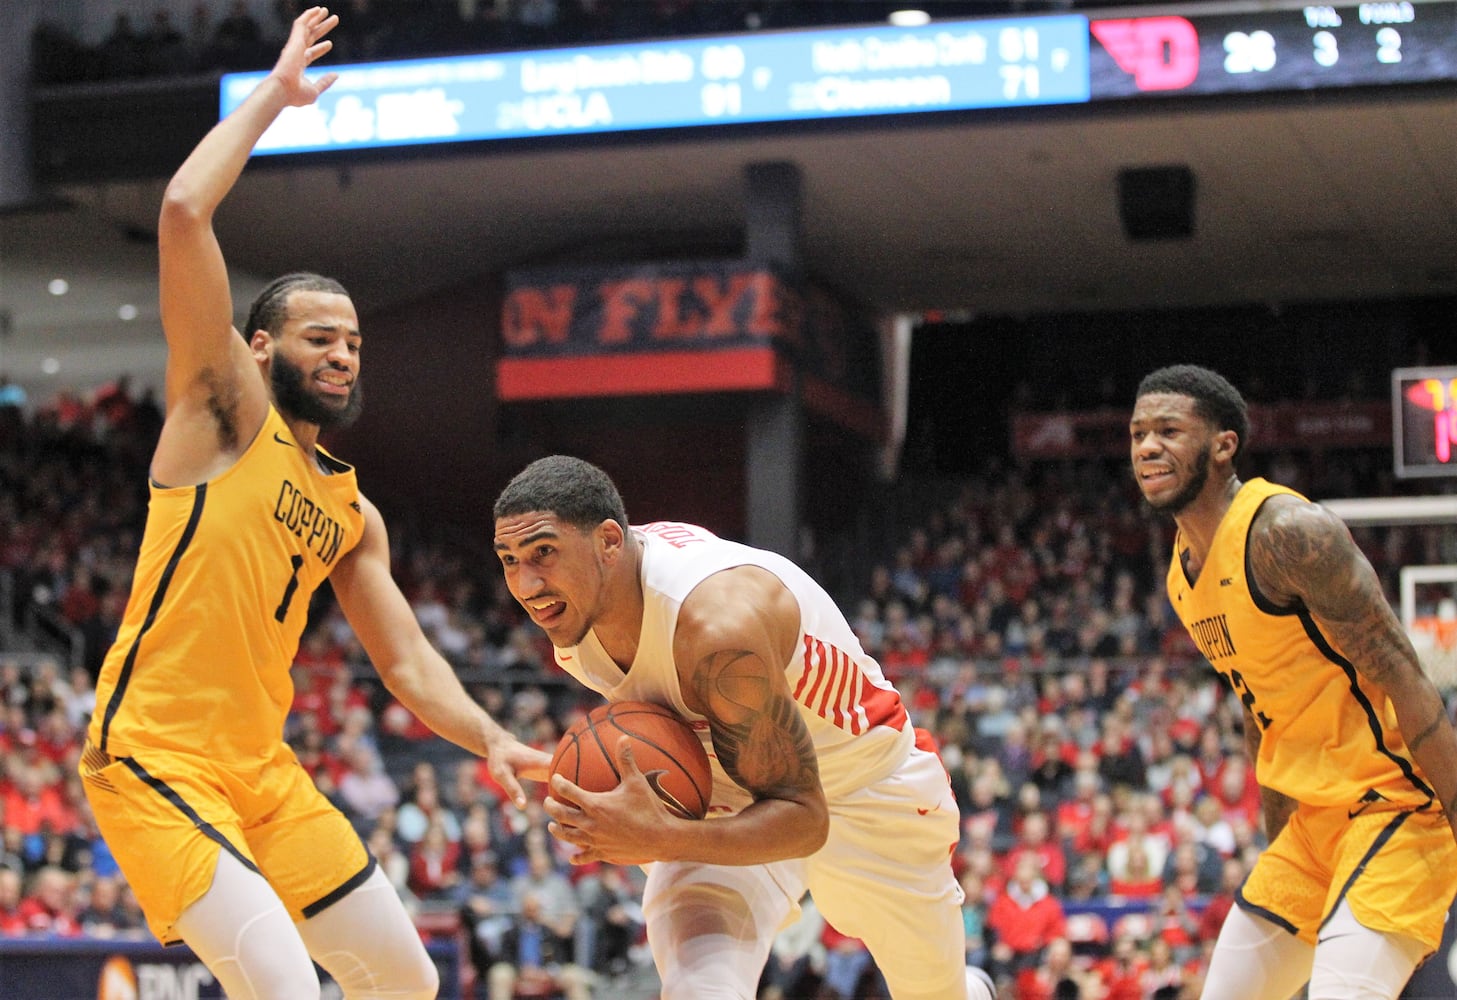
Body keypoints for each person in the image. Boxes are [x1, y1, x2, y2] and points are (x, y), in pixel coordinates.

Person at [77, 9, 549, 998]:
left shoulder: (350, 508)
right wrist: (274, 98)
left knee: (407, 981)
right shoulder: (220, 413)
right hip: (154, 756)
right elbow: (180, 214)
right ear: (258, 349)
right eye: (317, 338)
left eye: (353, 343)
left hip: (262, 772)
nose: (341, 353)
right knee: (284, 987)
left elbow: (410, 662)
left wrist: (493, 737)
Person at [492, 455, 980, 999]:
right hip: (728, 789)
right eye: (508, 559)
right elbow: (668, 716)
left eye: (542, 553)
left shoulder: (715, 626)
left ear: (610, 541)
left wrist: (657, 836)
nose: (525, 583)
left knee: (936, 995)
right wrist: (561, 767)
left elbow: (803, 818)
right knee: (700, 988)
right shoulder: (582, 598)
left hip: (861, 788)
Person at [1129, 364, 1457, 1000]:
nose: (1147, 446)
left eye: (1169, 430)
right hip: (1313, 823)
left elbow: (1406, 675)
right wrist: (1280, 844)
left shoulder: (1286, 534)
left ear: (1224, 445)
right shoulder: (1181, 570)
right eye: (1138, 432)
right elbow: (1261, 711)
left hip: (1398, 807)